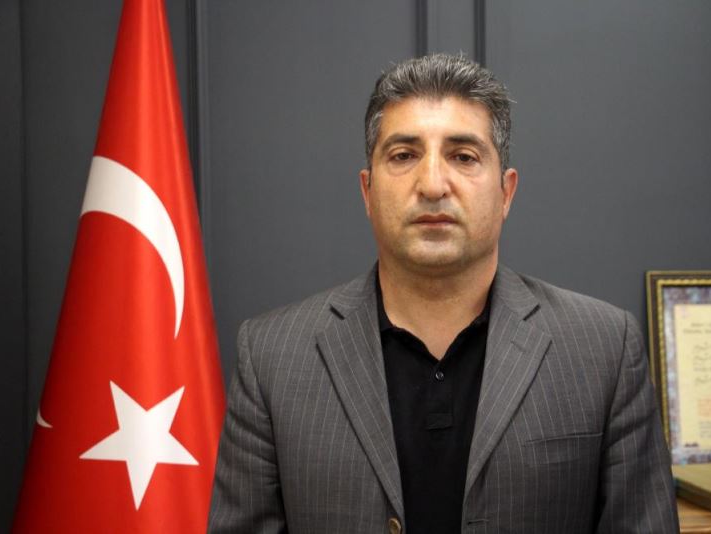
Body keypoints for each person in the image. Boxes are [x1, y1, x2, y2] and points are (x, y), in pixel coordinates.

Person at [208, 53, 678, 534]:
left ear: (506, 193)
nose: (433, 185)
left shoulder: (604, 350)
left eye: (464, 156)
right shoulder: (272, 358)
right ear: (367, 192)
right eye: (403, 155)